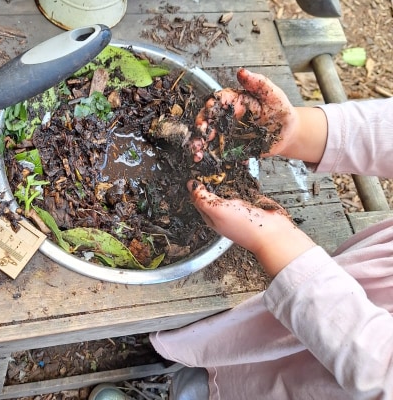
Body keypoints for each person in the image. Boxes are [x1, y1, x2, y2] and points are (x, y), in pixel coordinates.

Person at [149, 69, 393, 399]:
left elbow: (379, 371)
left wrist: (276, 241)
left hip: (338, 375)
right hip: (350, 290)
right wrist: (302, 132)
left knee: (278, 385)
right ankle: (200, 378)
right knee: (243, 361)